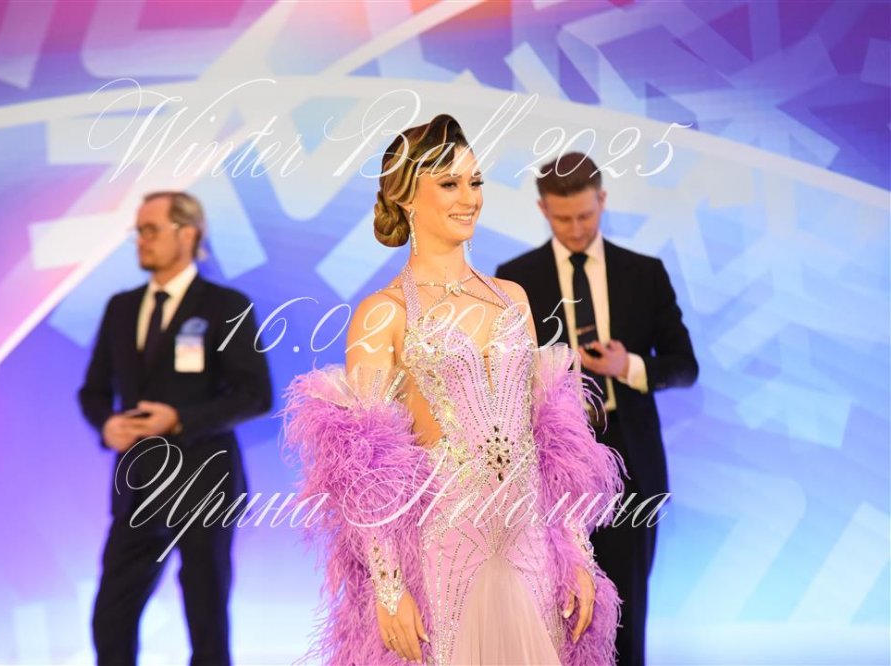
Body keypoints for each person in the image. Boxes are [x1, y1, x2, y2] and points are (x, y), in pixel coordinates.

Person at [283, 115, 625, 665]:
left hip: (530, 547)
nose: (469, 198)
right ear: (405, 196)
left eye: (475, 181)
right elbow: (365, 467)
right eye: (449, 183)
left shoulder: (513, 298)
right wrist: (389, 589)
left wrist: (578, 555)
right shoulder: (382, 313)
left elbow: (551, 443)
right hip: (444, 548)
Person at [496, 153, 699, 665]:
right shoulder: (513, 280)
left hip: (629, 463)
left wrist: (628, 365)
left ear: (603, 200)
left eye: (585, 215)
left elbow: (685, 366)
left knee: (625, 616)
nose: (575, 228)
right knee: (550, 615)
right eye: (562, 218)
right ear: (542, 209)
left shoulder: (644, 273)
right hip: (546, 467)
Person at [78, 191, 273, 666]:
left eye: (151, 230)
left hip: (204, 482)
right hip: (138, 486)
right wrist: (108, 425)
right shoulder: (121, 308)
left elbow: (255, 394)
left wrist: (180, 419)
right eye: (138, 231)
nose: (141, 240)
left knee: (206, 615)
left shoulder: (225, 305)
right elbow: (93, 390)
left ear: (188, 234)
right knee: (111, 614)